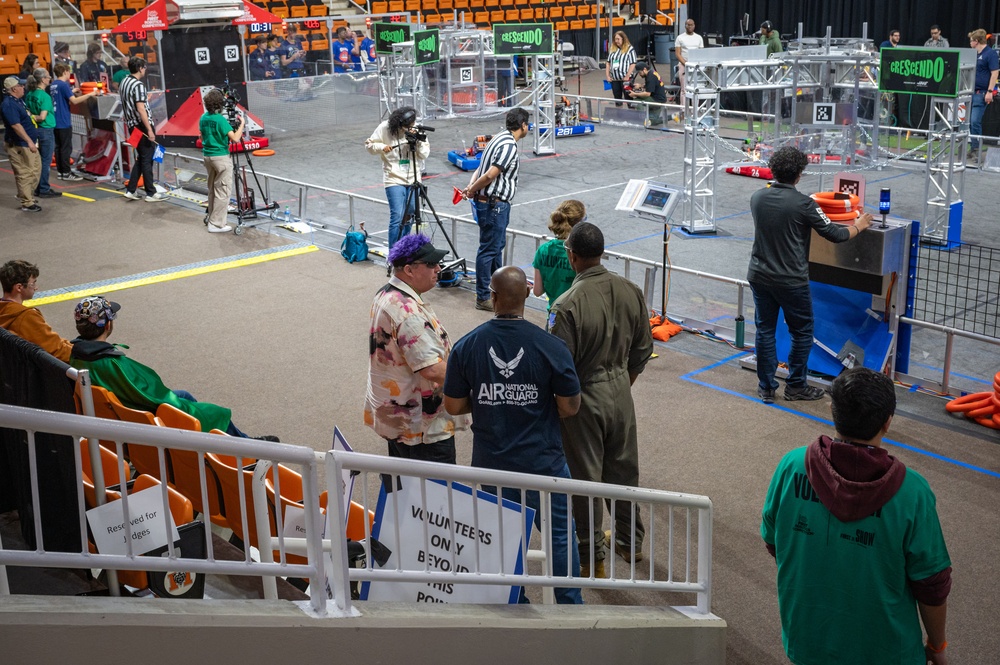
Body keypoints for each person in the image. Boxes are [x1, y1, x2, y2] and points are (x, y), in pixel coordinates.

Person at [761, 366, 952, 665]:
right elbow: (932, 584)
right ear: (887, 423)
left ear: (832, 411)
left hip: (808, 641)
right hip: (889, 652)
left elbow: (774, 542)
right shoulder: (913, 492)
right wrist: (937, 645)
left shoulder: (791, 466)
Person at [443, 266, 583, 604]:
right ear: (527, 297)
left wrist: (490, 400)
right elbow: (570, 407)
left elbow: (454, 406)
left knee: (502, 536)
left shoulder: (467, 346)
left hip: (493, 464)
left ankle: (514, 603)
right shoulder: (551, 346)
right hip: (544, 462)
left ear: (492, 296)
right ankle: (569, 606)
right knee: (560, 536)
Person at [550, 222, 654, 578]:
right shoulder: (631, 290)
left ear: (572, 256)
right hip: (621, 390)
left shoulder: (566, 305)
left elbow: (559, 369)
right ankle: (629, 542)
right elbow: (642, 350)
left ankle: (591, 556)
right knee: (624, 473)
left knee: (585, 480)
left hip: (583, 398)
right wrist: (621, 384)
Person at [747, 146, 873, 404]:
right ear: (799, 174)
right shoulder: (805, 204)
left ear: (773, 170)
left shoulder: (757, 197)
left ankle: (767, 387)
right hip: (791, 280)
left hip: (760, 275)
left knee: (765, 330)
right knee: (802, 332)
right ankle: (795, 386)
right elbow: (836, 235)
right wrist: (859, 226)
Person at [69, 296, 274, 439]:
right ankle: (249, 447)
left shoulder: (78, 354)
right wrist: (196, 412)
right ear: (107, 325)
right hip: (144, 418)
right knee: (211, 413)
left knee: (185, 393)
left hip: (120, 411)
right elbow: (157, 397)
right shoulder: (113, 364)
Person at [364, 234, 468, 463]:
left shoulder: (386, 293)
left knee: (405, 488)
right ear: (409, 270)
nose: (438, 269)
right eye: (431, 264)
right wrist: (475, 378)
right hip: (423, 428)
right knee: (437, 495)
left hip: (399, 414)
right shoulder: (407, 312)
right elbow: (431, 370)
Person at [462, 107, 530, 311]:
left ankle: (498, 289)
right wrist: (472, 190)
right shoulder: (509, 146)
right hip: (495, 205)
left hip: (488, 203)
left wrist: (470, 187)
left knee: (494, 249)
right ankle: (483, 296)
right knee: (488, 250)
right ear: (523, 125)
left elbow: (480, 168)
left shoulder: (497, 138)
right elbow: (490, 174)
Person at [365, 106, 429, 248]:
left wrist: (417, 142)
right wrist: (381, 147)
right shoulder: (384, 128)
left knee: (411, 214)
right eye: (406, 126)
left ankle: (404, 247)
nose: (408, 128)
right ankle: (394, 254)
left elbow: (424, 154)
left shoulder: (416, 129)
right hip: (393, 178)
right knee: (398, 216)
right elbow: (369, 145)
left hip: (413, 178)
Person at [0, 260, 73, 362]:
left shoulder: (4, 310)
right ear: (19, 287)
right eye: (33, 283)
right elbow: (56, 349)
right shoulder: (25, 317)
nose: (36, 287)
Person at [119, 57, 166, 202]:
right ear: (140, 68)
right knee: (147, 159)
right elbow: (141, 108)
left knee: (142, 157)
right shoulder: (138, 85)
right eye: (144, 67)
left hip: (132, 125)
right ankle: (151, 193)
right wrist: (150, 130)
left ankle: (131, 189)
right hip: (142, 125)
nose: (145, 69)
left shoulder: (124, 82)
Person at [200, 88, 244, 234]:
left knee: (213, 189)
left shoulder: (203, 118)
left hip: (208, 156)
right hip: (221, 157)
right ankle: (216, 223)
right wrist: (242, 124)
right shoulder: (220, 120)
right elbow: (236, 138)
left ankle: (212, 217)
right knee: (223, 191)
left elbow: (202, 137)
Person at [532, 199, 586, 313]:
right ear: (579, 224)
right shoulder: (580, 252)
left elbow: (537, 291)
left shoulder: (543, 250)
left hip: (553, 314)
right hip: (576, 315)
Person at [50, 63, 96, 182]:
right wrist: (90, 94)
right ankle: (66, 172)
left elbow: (63, 94)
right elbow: (74, 101)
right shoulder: (64, 85)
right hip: (64, 120)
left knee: (59, 147)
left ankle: (61, 171)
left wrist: (72, 90)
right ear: (65, 71)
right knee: (66, 148)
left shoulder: (54, 84)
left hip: (55, 120)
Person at [2, 76, 42, 212]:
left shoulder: (18, 101)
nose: (23, 87)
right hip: (20, 145)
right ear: (14, 89)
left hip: (28, 143)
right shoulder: (9, 104)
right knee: (25, 173)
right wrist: (29, 141)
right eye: (20, 85)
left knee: (36, 170)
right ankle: (27, 202)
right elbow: (16, 126)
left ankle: (26, 195)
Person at [24, 68, 60, 200]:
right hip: (45, 129)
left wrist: (31, 117)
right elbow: (42, 117)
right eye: (48, 76)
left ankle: (39, 187)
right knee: (45, 161)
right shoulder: (44, 96)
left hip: (35, 130)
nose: (50, 78)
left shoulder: (30, 94)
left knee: (38, 162)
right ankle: (44, 188)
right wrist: (34, 117)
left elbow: (28, 113)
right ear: (43, 79)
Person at [968, 29, 999, 162]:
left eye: (971, 40)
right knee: (970, 122)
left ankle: (977, 150)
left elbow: (995, 73)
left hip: (981, 93)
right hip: (970, 92)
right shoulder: (973, 54)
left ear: (976, 41)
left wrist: (990, 91)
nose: (970, 43)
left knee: (975, 121)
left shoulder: (990, 54)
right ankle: (973, 147)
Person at [628, 61, 667, 127]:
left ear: (644, 69)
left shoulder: (650, 77)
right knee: (652, 121)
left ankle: (641, 119)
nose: (640, 75)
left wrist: (635, 94)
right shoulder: (652, 73)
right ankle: (673, 116)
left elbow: (647, 94)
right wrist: (640, 85)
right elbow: (651, 85)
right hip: (658, 98)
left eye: (640, 72)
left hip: (657, 100)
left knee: (637, 101)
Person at [674, 18, 704, 106]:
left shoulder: (699, 38)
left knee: (695, 89)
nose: (690, 26)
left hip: (696, 66)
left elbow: (701, 52)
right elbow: (678, 54)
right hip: (684, 65)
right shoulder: (680, 38)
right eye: (688, 25)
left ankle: (694, 110)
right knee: (684, 89)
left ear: (694, 26)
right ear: (685, 26)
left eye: (691, 25)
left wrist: (696, 64)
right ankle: (683, 110)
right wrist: (686, 63)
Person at [605, 31, 636, 108]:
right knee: (617, 98)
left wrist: (628, 75)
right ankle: (619, 116)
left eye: (618, 39)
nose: (616, 41)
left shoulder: (630, 49)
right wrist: (607, 76)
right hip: (615, 79)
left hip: (626, 79)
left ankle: (632, 116)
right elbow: (608, 63)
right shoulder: (613, 49)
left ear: (623, 39)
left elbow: (633, 63)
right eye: (615, 39)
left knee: (628, 98)